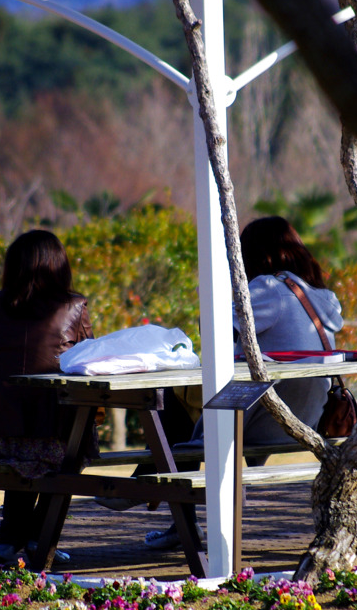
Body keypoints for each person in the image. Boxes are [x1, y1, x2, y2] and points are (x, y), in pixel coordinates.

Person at [142, 216, 344, 549]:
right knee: (186, 406)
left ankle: (171, 507)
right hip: (306, 421)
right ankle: (167, 494)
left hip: (266, 422)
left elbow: (214, 329)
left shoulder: (268, 288)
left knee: (167, 400)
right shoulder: (323, 297)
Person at [0, 230, 95, 566]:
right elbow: (89, 369)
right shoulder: (75, 307)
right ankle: (39, 538)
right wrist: (93, 426)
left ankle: (9, 541)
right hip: (55, 432)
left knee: (27, 454)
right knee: (68, 454)